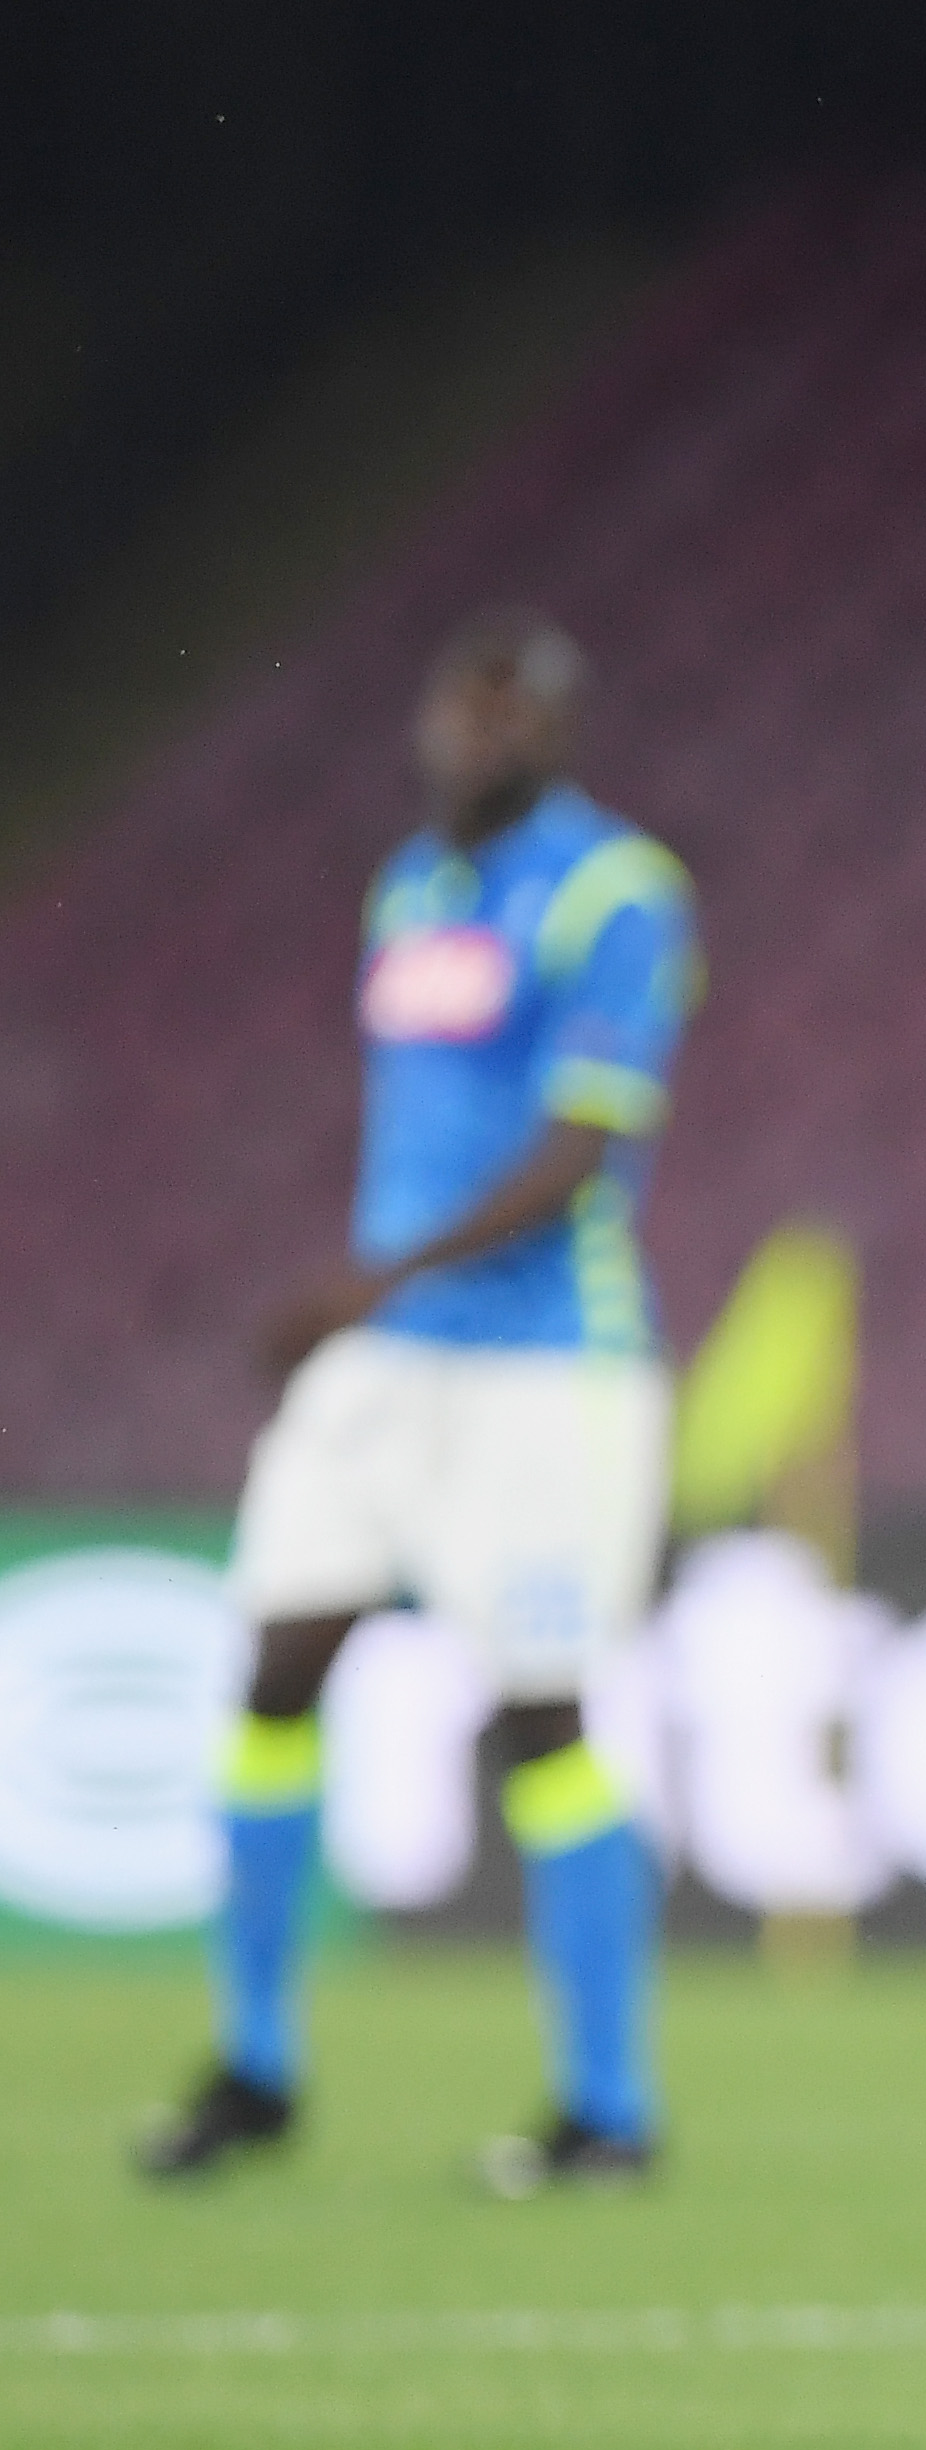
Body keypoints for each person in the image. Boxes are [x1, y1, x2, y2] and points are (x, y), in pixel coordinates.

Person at [141, 608, 697, 2195]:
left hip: (544, 1362)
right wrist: (375, 1297)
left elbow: (586, 1146)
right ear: (430, 723)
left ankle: (609, 2106)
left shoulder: (615, 892)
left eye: (518, 712)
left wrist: (368, 1282)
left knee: (541, 1718)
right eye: (467, 706)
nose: (483, 733)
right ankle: (256, 2065)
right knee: (274, 1663)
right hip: (386, 1354)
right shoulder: (410, 887)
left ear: (563, 735)